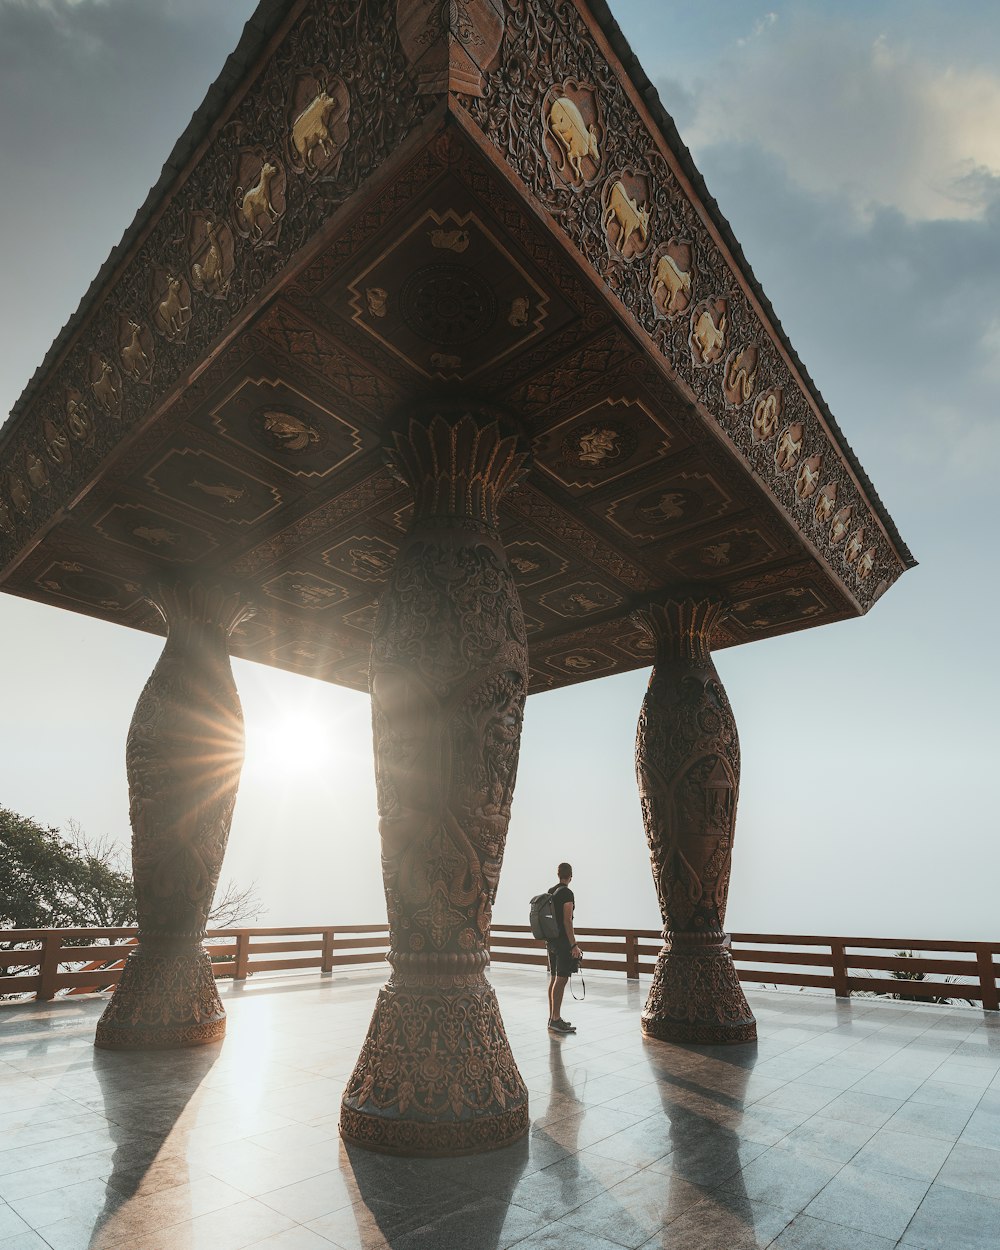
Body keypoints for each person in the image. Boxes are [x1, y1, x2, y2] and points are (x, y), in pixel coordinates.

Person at [546, 862, 582, 1034]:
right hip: (562, 943)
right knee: (561, 979)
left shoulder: (551, 891)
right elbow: (568, 920)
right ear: (571, 876)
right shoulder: (567, 893)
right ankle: (555, 1019)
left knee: (554, 978)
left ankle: (552, 1017)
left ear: (558, 874)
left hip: (551, 941)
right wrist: (573, 944)